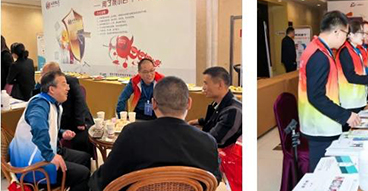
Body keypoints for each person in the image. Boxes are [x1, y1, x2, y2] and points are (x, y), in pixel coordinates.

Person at [90, 76, 221, 191]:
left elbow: (104, 179)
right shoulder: (208, 141)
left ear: (154, 104)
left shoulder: (132, 133)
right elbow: (214, 179)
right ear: (189, 103)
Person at [298, 11, 361, 171]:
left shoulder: (318, 48)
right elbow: (316, 96)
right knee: (322, 172)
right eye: (346, 34)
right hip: (320, 124)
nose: (346, 38)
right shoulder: (319, 56)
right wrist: (345, 115)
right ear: (337, 32)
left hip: (320, 120)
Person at [9, 70, 91, 191]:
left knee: (85, 157)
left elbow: (47, 127)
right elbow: (38, 129)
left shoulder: (53, 104)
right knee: (83, 174)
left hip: (45, 152)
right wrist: (50, 155)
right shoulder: (39, 104)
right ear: (52, 89)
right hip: (33, 166)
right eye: (64, 84)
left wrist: (62, 133)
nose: (68, 88)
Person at [34, 62, 94, 156]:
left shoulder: (70, 81)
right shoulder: (47, 85)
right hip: (61, 120)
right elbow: (35, 95)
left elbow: (80, 100)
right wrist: (39, 83)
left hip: (78, 119)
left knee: (81, 139)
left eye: (43, 74)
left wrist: (80, 122)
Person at [337, 21, 368, 114]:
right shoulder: (345, 51)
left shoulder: (356, 50)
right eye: (361, 33)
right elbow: (351, 76)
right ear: (350, 35)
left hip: (358, 99)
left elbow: (362, 71)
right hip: (349, 101)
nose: (363, 36)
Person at [189, 66, 242, 148]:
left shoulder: (232, 111)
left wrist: (188, 134)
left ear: (220, 85)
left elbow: (213, 139)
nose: (203, 88)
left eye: (206, 83)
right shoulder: (218, 103)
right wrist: (197, 122)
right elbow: (214, 120)